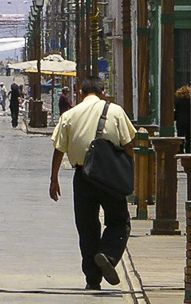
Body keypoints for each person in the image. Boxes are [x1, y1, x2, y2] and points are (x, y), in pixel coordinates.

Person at [49, 75, 136, 290]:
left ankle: (92, 279)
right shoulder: (115, 111)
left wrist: (54, 179)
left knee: (87, 227)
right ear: (103, 91)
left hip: (83, 176)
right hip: (110, 175)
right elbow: (128, 145)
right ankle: (106, 254)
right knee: (119, 221)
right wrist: (130, 172)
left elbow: (58, 149)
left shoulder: (69, 115)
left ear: (80, 92)